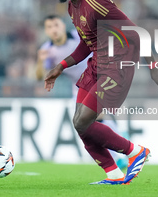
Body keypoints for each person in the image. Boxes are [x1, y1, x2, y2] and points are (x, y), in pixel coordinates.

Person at [44, 0, 158, 185]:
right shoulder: (72, 5)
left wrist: (152, 66)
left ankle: (135, 151)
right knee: (79, 123)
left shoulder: (95, 3)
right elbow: (87, 43)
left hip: (117, 66)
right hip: (97, 63)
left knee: (83, 121)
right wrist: (61, 66)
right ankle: (113, 174)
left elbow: (136, 33)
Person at [36, 15, 127, 167]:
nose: (54, 30)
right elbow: (39, 76)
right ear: (46, 31)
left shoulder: (78, 38)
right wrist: (40, 61)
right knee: (85, 124)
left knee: (95, 117)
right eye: (50, 27)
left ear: (63, 26)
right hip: (78, 86)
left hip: (98, 76)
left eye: (56, 25)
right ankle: (118, 146)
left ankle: (121, 151)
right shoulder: (46, 50)